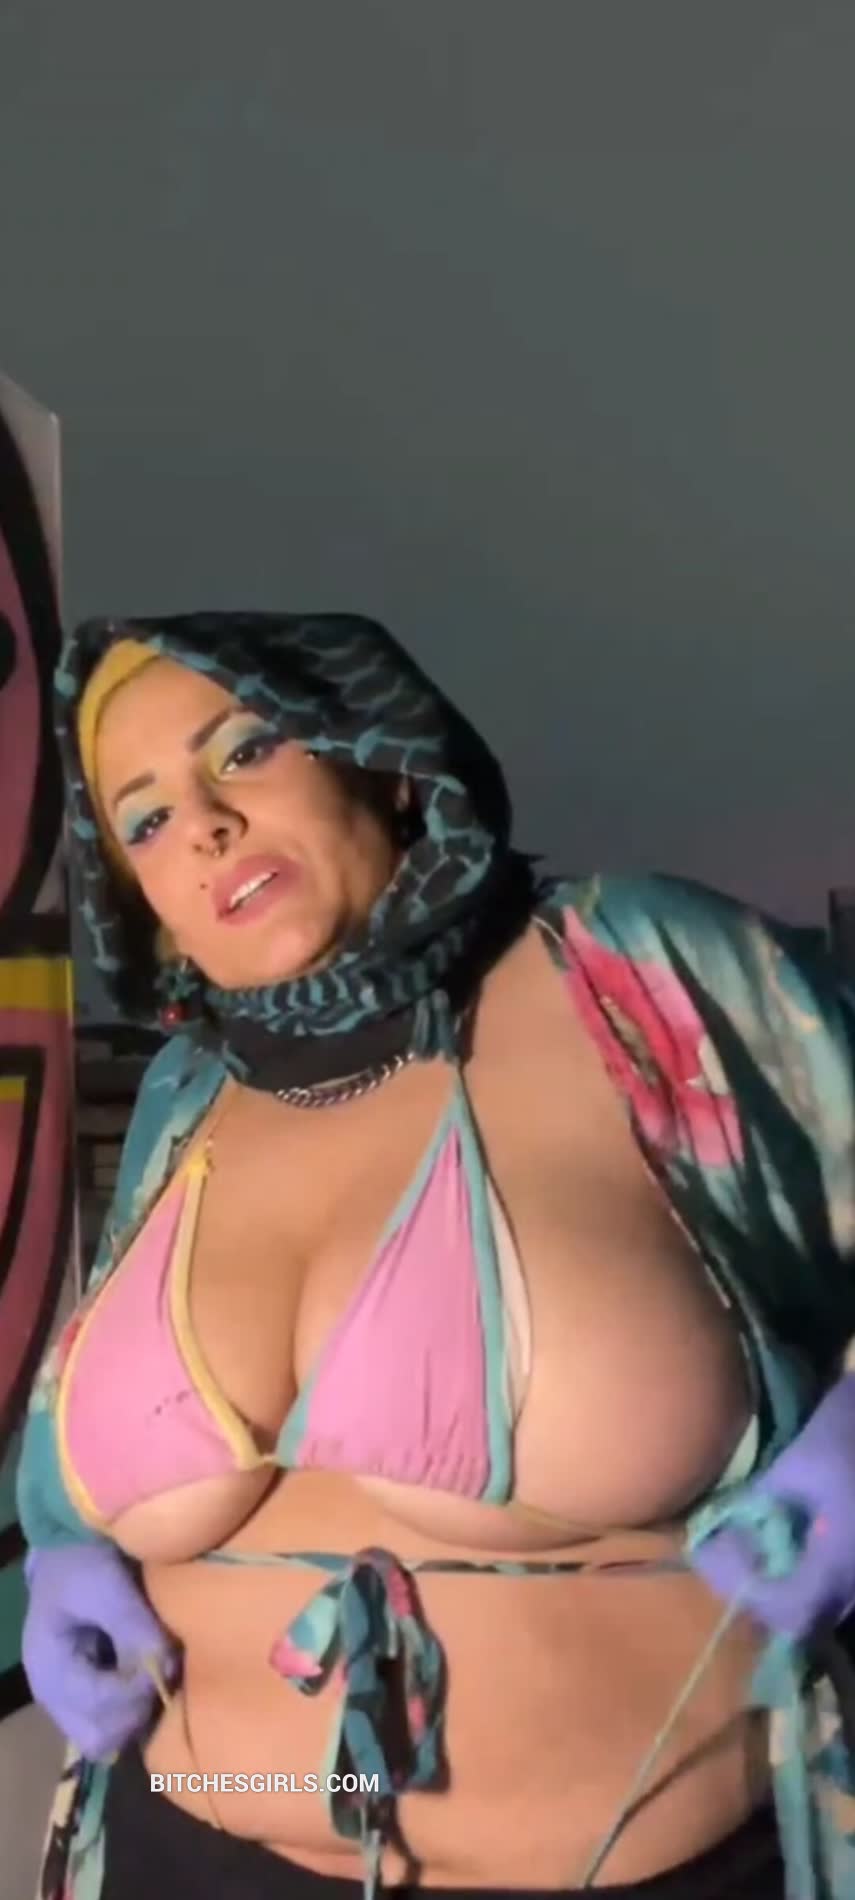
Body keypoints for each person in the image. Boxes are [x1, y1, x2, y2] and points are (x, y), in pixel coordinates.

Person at [15, 609, 855, 1900]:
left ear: (387, 765)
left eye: (244, 752)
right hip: (184, 1842)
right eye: (148, 819)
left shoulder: (633, 970)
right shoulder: (184, 1098)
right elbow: (76, 1406)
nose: (207, 827)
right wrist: (61, 1542)